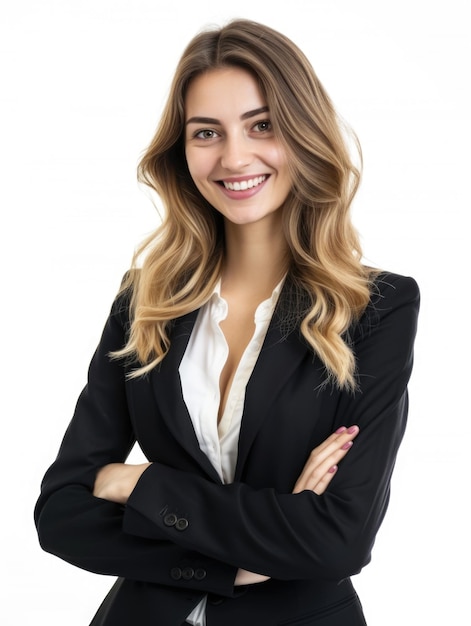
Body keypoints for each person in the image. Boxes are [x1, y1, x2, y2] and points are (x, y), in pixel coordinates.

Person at [34, 18, 420, 626]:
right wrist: (239, 557)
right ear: (181, 151)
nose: (234, 156)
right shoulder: (146, 301)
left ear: (302, 130)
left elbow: (340, 538)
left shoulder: (377, 308)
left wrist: (139, 485)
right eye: (206, 132)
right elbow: (60, 513)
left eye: (261, 125)